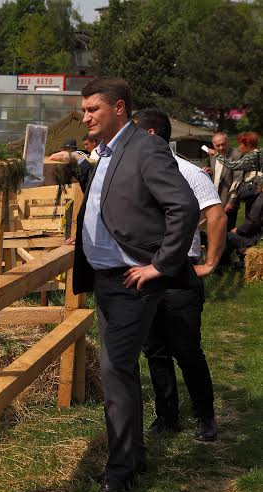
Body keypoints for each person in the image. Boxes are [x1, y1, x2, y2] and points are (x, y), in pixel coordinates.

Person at [54, 78, 199, 492]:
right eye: (83, 111)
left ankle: (120, 471)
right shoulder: (106, 152)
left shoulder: (145, 147)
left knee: (115, 370)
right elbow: (111, 200)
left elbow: (183, 206)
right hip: (107, 277)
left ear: (119, 108)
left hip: (131, 278)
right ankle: (133, 455)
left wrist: (160, 265)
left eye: (92, 110)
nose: (85, 118)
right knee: (122, 370)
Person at [134, 108, 225, 443]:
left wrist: (211, 262)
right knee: (155, 350)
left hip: (179, 273)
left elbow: (215, 215)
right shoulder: (136, 170)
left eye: (134, 132)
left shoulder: (185, 171)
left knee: (186, 349)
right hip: (146, 272)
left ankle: (205, 416)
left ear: (152, 135)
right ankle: (167, 416)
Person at [208, 131, 262, 226]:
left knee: (252, 221)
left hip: (254, 195)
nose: (239, 147)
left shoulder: (251, 156)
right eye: (217, 145)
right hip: (254, 194)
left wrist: (216, 155)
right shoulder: (258, 153)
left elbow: (233, 166)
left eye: (241, 144)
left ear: (248, 144)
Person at [220, 176, 263, 269]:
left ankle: (224, 261)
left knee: (229, 236)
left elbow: (252, 223)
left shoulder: (259, 201)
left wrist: (238, 230)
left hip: (257, 240)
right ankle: (243, 260)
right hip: (258, 235)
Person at [204, 133, 242, 228]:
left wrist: (231, 202)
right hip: (214, 198)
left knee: (227, 231)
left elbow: (237, 180)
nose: (221, 148)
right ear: (213, 146)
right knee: (214, 228)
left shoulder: (236, 155)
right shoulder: (213, 155)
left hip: (228, 200)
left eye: (223, 144)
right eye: (218, 145)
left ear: (228, 143)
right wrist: (211, 171)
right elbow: (219, 171)